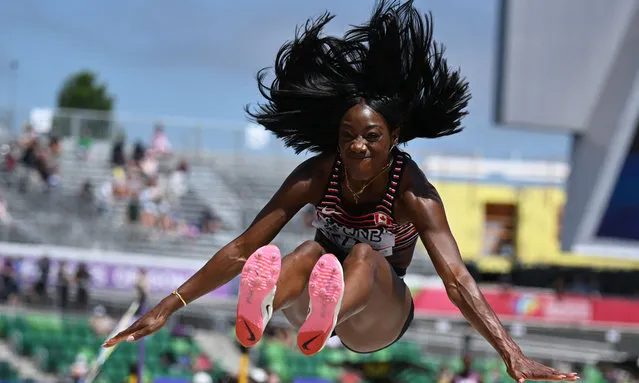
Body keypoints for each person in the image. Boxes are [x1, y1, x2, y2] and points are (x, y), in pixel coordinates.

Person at [104, 2, 578, 382]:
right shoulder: (317, 174)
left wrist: (511, 355)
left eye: (371, 136)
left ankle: (326, 314)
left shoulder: (412, 191)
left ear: (394, 137)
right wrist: (170, 304)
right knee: (308, 251)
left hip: (379, 316)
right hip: (310, 304)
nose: (357, 145)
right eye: (349, 134)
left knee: (362, 258)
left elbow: (456, 279)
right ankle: (264, 302)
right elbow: (243, 247)